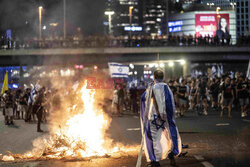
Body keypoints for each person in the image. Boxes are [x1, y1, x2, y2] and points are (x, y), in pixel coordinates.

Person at [140, 70, 182, 167]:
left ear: (154, 77)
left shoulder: (152, 88)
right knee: (171, 134)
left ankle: (154, 160)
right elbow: (172, 104)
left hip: (155, 117)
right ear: (163, 77)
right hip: (167, 117)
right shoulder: (168, 88)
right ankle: (172, 151)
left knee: (153, 137)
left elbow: (143, 98)